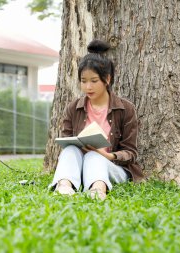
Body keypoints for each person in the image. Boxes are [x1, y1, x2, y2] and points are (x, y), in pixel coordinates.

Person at [50, 39, 144, 200]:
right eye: (83, 81)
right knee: (70, 150)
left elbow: (131, 152)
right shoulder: (73, 108)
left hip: (113, 167)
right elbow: (67, 143)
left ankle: (98, 189)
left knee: (95, 157)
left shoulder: (125, 108)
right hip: (82, 165)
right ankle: (64, 186)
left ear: (106, 79)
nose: (88, 87)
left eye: (94, 81)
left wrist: (108, 155)